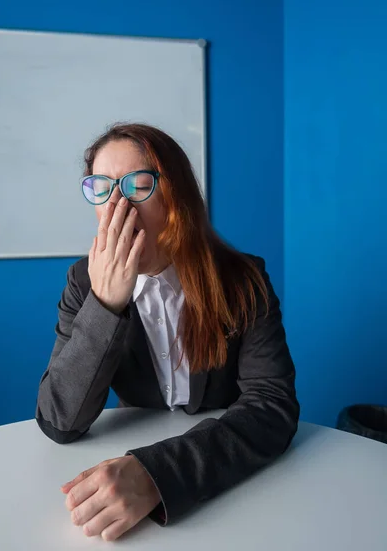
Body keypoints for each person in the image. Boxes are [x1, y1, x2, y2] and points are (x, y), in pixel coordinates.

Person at [36, 123, 299, 542]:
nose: (117, 205)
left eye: (137, 184)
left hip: (233, 486)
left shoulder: (243, 279)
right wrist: (105, 305)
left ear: (176, 195)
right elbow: (59, 423)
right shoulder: (83, 281)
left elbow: (272, 406)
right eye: (100, 187)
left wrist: (156, 473)